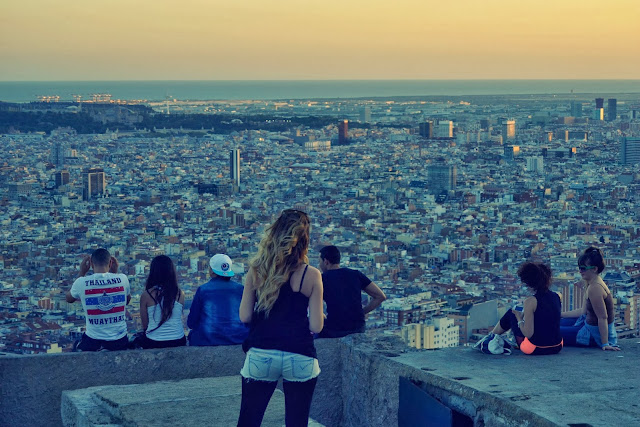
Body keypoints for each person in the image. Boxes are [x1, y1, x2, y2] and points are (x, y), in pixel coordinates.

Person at [237, 209, 324, 427]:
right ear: (304, 239)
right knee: (297, 423)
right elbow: (316, 325)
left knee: (249, 421)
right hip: (300, 354)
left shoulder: (257, 269)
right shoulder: (312, 274)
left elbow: (245, 316)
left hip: (261, 352)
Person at [489, 262, 563, 355]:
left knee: (511, 313)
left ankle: (490, 338)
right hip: (557, 346)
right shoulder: (556, 296)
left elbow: (528, 334)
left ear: (528, 283)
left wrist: (519, 318)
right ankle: (491, 337)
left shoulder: (531, 301)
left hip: (536, 348)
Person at [66, 248, 131, 351]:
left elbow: (69, 299)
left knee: (76, 347)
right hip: (119, 340)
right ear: (110, 262)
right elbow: (126, 301)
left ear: (91, 264)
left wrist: (82, 272)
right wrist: (115, 273)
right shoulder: (123, 279)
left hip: (94, 340)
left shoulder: (81, 282)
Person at [317, 245, 386, 338]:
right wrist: (362, 312)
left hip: (335, 329)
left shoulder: (321, 279)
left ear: (326, 261)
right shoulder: (355, 274)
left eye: (319, 262)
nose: (319, 265)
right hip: (358, 328)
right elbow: (380, 296)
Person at [560, 247, 621, 351]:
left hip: (591, 335)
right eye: (579, 267)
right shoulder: (592, 283)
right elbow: (583, 312)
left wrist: (605, 343)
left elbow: (603, 317)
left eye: (583, 268)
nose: (580, 271)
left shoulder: (595, 288)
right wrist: (560, 315)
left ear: (594, 269)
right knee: (555, 322)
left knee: (550, 330)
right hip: (587, 325)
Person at [187, 253, 248, 346]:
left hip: (209, 339)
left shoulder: (203, 290)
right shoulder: (241, 289)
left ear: (211, 271)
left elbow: (191, 322)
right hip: (238, 337)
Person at [137, 255, 186, 349]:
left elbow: (145, 325)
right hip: (178, 340)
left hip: (154, 341)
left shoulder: (146, 295)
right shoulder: (180, 293)